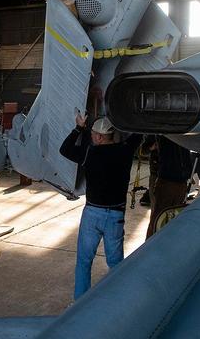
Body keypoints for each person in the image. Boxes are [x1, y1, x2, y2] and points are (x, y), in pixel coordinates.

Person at [59, 112, 143, 299]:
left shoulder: (90, 153)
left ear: (98, 136)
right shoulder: (125, 150)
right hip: (115, 216)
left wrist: (79, 127)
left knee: (84, 261)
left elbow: (64, 149)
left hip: (92, 214)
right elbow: (140, 133)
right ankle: (116, 302)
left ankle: (80, 303)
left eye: (92, 135)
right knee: (115, 264)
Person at [146, 137, 197, 239]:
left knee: (172, 215)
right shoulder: (164, 132)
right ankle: (152, 243)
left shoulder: (182, 133)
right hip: (167, 179)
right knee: (160, 215)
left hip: (179, 180)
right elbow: (147, 146)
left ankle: (162, 242)